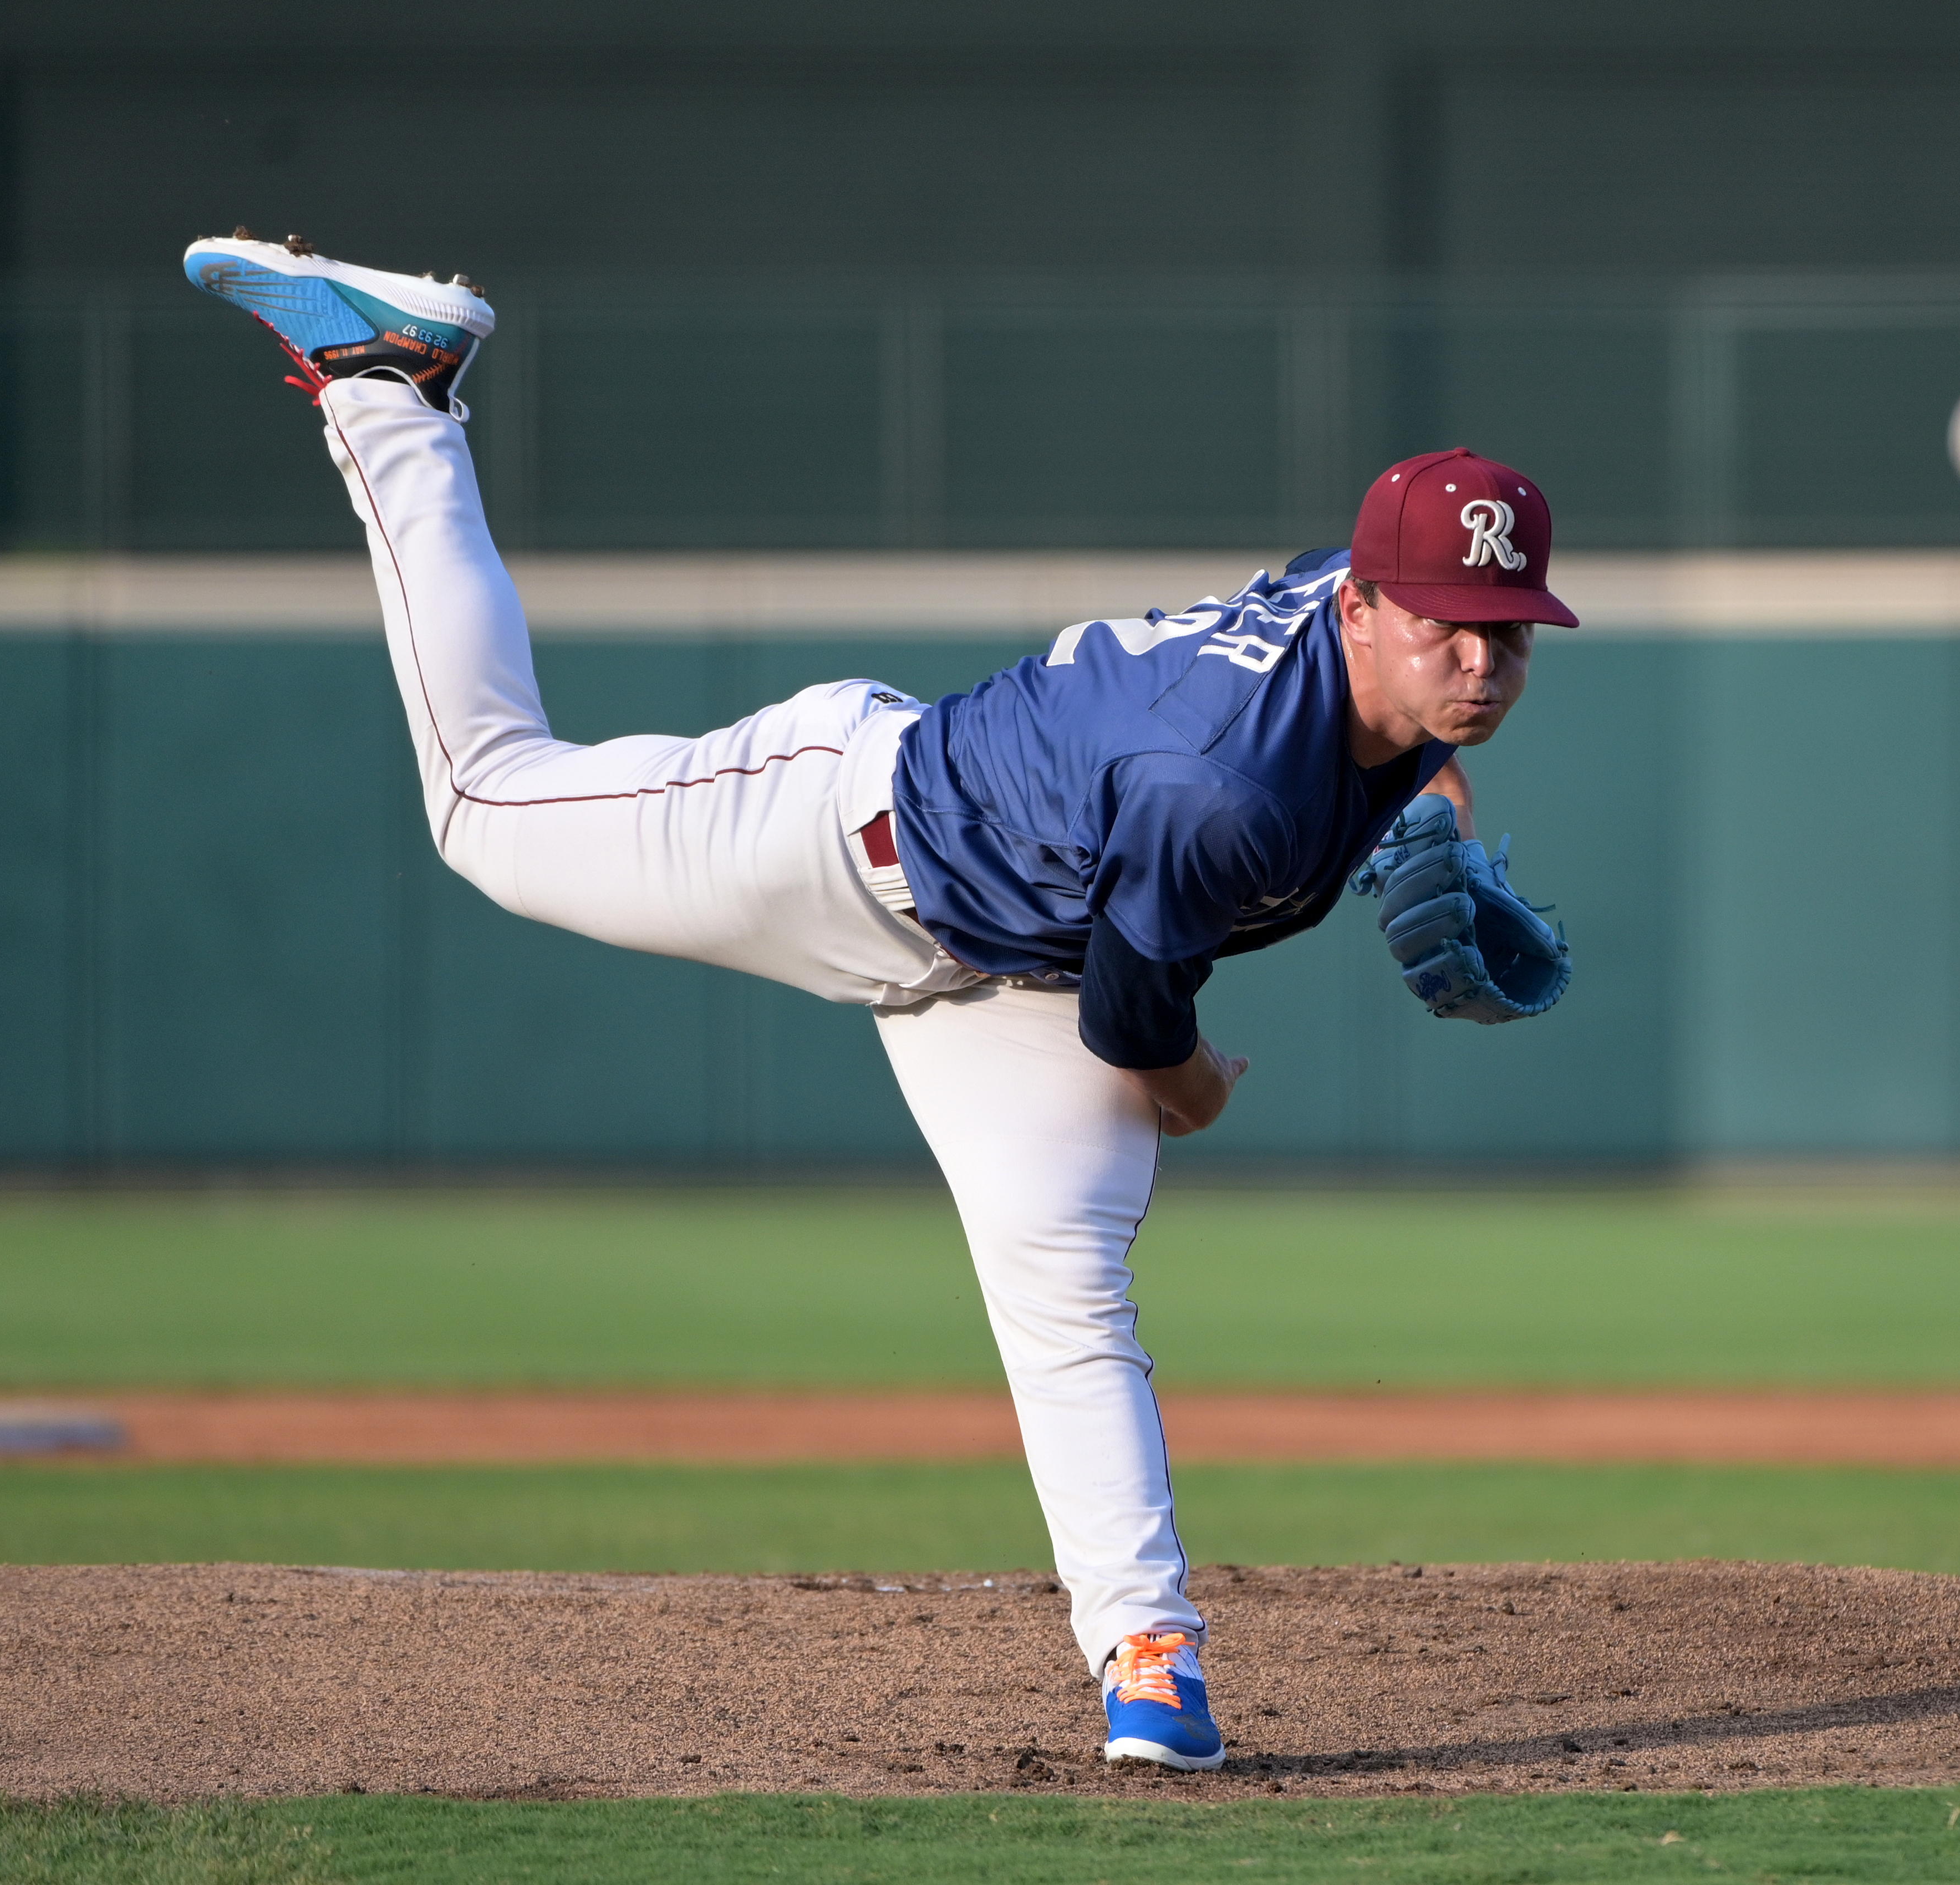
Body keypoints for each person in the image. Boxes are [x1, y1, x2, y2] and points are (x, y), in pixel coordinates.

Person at [183, 232, 1576, 1771]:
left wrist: (1427, 808)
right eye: (1446, 620)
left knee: (1067, 1290)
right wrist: (1202, 1093)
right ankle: (390, 386)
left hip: (1017, 957)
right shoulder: (1222, 789)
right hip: (839, 843)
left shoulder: (1349, 603)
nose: (1479, 655)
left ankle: (1151, 1662)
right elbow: (1138, 1034)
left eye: (1504, 627)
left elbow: (1355, 771)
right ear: (1366, 606)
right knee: (484, 804)